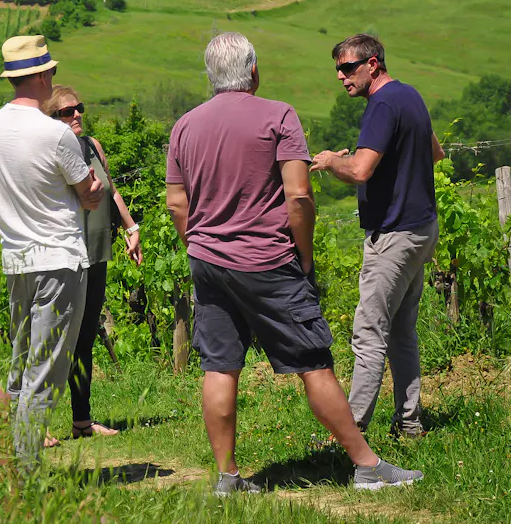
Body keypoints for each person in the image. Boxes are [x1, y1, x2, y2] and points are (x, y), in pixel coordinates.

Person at [167, 32, 423, 495]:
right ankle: (366, 466)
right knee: (313, 364)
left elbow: (176, 203)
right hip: (267, 258)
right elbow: (299, 196)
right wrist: (303, 256)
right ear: (254, 70)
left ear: (210, 74)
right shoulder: (277, 115)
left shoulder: (185, 126)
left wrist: (198, 244)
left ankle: (228, 477)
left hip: (206, 260)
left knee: (220, 368)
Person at [311, 33, 444, 439]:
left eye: (348, 67)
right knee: (402, 330)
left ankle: (349, 433)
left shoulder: (382, 104)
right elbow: (434, 151)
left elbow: (361, 171)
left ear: (373, 64)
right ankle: (409, 423)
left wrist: (335, 161)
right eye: (337, 68)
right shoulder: (410, 95)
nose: (340, 76)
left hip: (394, 234)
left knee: (369, 333)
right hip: (422, 228)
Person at [0, 35, 103, 472]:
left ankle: (6, 456)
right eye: (49, 70)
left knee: (18, 362)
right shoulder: (56, 134)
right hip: (60, 258)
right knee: (47, 366)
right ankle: (24, 469)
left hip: (15, 258)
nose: (53, 76)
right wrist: (89, 187)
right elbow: (91, 194)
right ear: (37, 76)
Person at [43, 85, 143, 439]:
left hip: (98, 253)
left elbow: (112, 191)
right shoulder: (51, 153)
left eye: (79, 108)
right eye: (67, 111)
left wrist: (131, 228)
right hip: (67, 255)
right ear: (51, 118)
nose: (77, 115)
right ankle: (35, 423)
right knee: (54, 337)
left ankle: (82, 421)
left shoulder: (92, 146)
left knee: (85, 337)